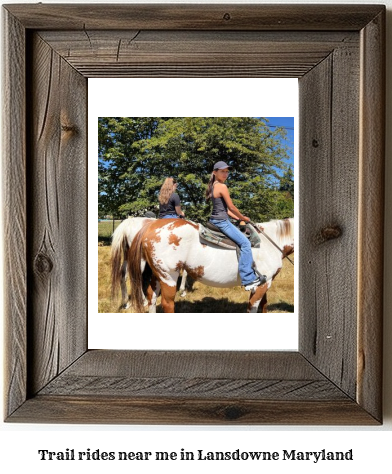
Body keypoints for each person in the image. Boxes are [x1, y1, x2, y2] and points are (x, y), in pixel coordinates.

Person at [206, 161, 266, 291]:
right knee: (245, 243)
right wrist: (243, 218)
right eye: (223, 171)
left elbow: (225, 210)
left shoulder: (212, 186)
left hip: (216, 219)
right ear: (215, 172)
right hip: (222, 222)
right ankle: (248, 279)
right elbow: (231, 207)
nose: (225, 174)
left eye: (227, 171)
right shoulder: (222, 186)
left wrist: (239, 218)